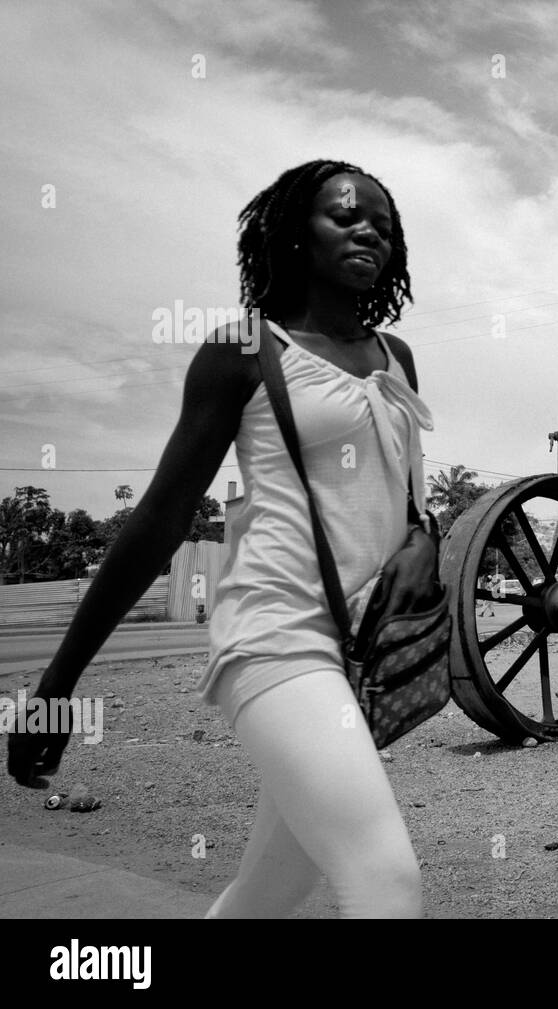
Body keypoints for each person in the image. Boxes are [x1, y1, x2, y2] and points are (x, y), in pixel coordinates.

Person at [7, 159, 438, 918]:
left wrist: (423, 540)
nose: (369, 228)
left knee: (271, 889)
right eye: (345, 215)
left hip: (360, 649)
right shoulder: (244, 349)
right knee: (386, 880)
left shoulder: (395, 356)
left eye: (383, 222)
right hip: (275, 637)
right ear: (295, 234)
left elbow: (408, 499)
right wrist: (58, 683)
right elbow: (162, 519)